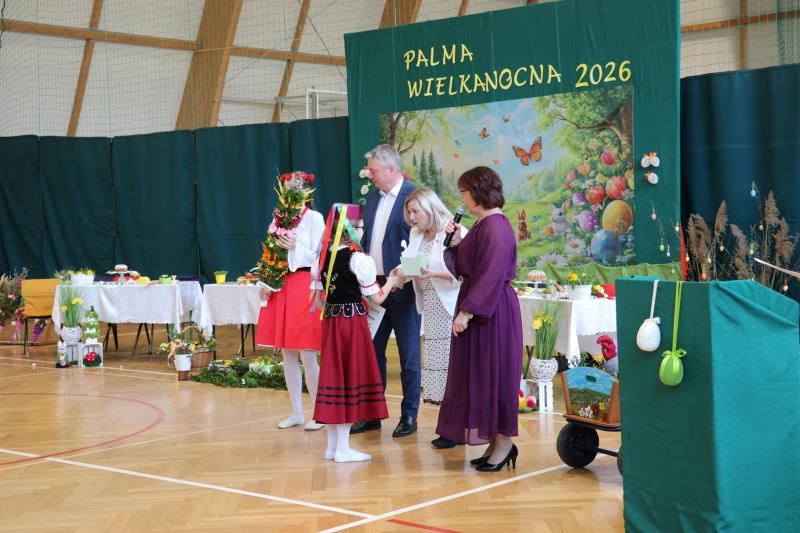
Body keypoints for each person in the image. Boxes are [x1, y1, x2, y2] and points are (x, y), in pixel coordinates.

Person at [435, 166, 523, 472]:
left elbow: (490, 274)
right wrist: (457, 242)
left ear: (477, 192)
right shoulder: (484, 224)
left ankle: (504, 444)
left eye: (464, 192)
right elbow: (469, 266)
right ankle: (495, 444)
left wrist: (467, 311)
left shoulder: (495, 226)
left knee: (494, 375)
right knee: (483, 376)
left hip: (491, 312)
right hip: (485, 308)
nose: (463, 198)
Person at [311, 204, 400, 462]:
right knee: (350, 379)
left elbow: (318, 301)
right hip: (352, 326)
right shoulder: (358, 260)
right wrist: (392, 280)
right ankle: (342, 449)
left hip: (332, 325)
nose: (363, 231)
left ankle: (333, 447)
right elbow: (377, 298)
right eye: (361, 227)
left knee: (335, 378)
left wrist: (337, 305)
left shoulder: (323, 259)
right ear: (352, 230)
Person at [354, 144, 421, 438]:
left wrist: (408, 274)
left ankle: (409, 415)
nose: (370, 175)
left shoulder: (414, 197)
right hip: (374, 288)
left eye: (374, 170)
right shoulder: (372, 199)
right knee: (371, 353)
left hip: (404, 289)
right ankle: (372, 414)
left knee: (408, 356)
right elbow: (367, 240)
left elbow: (424, 242)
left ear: (392, 169)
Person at [255, 171, 325, 431]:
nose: (288, 192)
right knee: (288, 353)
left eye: (294, 187)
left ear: (306, 191)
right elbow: (270, 256)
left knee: (307, 352)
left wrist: (295, 246)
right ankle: (296, 412)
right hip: (282, 285)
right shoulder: (279, 219)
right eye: (286, 187)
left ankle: (318, 412)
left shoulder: (314, 218)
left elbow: (320, 255)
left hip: (304, 284)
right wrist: (265, 283)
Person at [396, 188, 463, 449]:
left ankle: (455, 428)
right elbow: (412, 264)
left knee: (452, 368)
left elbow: (462, 273)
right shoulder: (416, 234)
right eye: (409, 212)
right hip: (430, 308)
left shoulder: (452, 231)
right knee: (438, 367)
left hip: (450, 307)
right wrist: (400, 272)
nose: (412, 218)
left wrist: (432, 273)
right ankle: (450, 428)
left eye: (416, 211)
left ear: (429, 208)